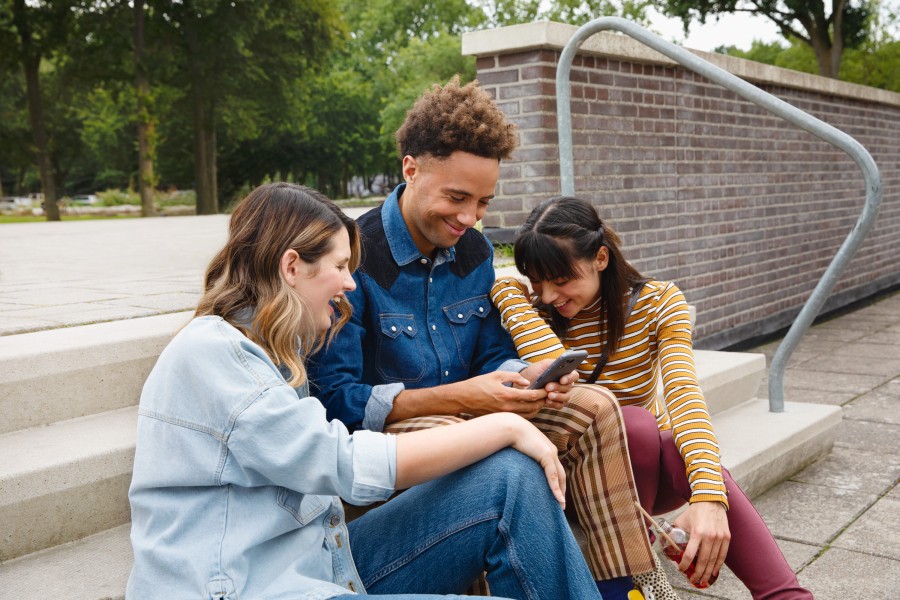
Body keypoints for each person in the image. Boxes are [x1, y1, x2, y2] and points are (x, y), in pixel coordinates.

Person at [125, 182, 602, 599]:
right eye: (339, 266)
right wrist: (502, 425)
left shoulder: (271, 351)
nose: (350, 284)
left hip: (320, 566)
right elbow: (342, 463)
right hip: (250, 590)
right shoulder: (213, 353)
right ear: (292, 266)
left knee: (509, 478)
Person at [307, 77, 675, 600]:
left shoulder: (476, 252)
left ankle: (632, 589)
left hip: (478, 411)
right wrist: (467, 397)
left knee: (595, 405)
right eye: (457, 197)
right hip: (394, 440)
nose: (469, 219)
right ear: (410, 169)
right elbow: (337, 401)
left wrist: (521, 375)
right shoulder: (354, 255)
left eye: (482, 202)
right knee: (498, 448)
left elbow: (492, 352)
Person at [490, 195, 815, 600]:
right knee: (634, 424)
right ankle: (628, 580)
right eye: (537, 282)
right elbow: (513, 300)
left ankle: (785, 596)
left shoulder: (658, 302)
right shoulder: (534, 309)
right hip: (571, 477)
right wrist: (513, 294)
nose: (550, 295)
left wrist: (709, 498)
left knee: (664, 439)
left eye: (561, 280)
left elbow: (684, 395)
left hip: (642, 469)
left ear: (601, 259)